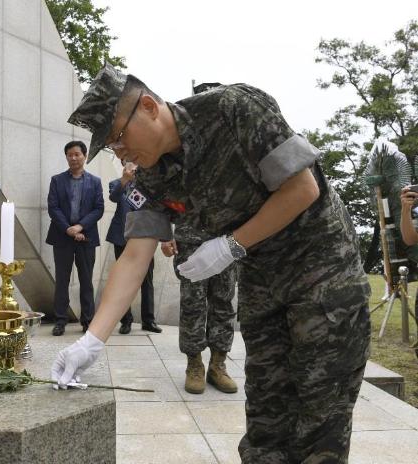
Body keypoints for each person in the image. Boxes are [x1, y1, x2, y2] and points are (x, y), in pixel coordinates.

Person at [51, 64, 370, 463]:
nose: (121, 153)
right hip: (262, 281)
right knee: (267, 419)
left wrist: (230, 246)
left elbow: (302, 188)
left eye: (117, 138)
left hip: (322, 273)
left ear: (148, 106)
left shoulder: (235, 109)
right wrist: (92, 340)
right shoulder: (151, 179)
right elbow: (135, 256)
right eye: (112, 149)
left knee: (320, 416)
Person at [161, 224, 237, 394]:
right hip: (191, 241)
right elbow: (164, 202)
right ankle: (194, 365)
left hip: (228, 239)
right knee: (192, 305)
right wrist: (165, 234)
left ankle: (217, 365)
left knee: (224, 304)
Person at [46, 141, 104, 336]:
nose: (73, 158)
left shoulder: (95, 182)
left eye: (77, 154)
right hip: (62, 237)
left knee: (86, 280)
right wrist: (68, 229)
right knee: (61, 280)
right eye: (70, 155)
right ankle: (60, 320)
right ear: (66, 157)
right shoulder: (57, 180)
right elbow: (53, 207)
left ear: (85, 156)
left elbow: (99, 208)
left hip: (86, 238)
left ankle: (88, 321)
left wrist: (80, 227)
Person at [106, 160, 162, 334]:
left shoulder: (146, 186)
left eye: (136, 167)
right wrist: (124, 180)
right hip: (121, 237)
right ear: (123, 167)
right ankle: (126, 321)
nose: (132, 170)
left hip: (143, 237)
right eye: (129, 167)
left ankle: (148, 320)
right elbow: (114, 197)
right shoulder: (116, 184)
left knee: (147, 280)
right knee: (123, 280)